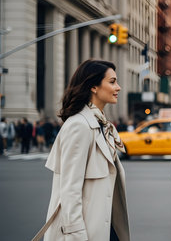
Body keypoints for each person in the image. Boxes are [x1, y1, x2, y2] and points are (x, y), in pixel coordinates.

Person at [34, 60, 130, 241]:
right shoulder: (79, 126)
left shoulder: (100, 124)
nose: (118, 87)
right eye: (112, 82)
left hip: (106, 227)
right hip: (85, 232)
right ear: (93, 87)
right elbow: (70, 190)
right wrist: (77, 235)